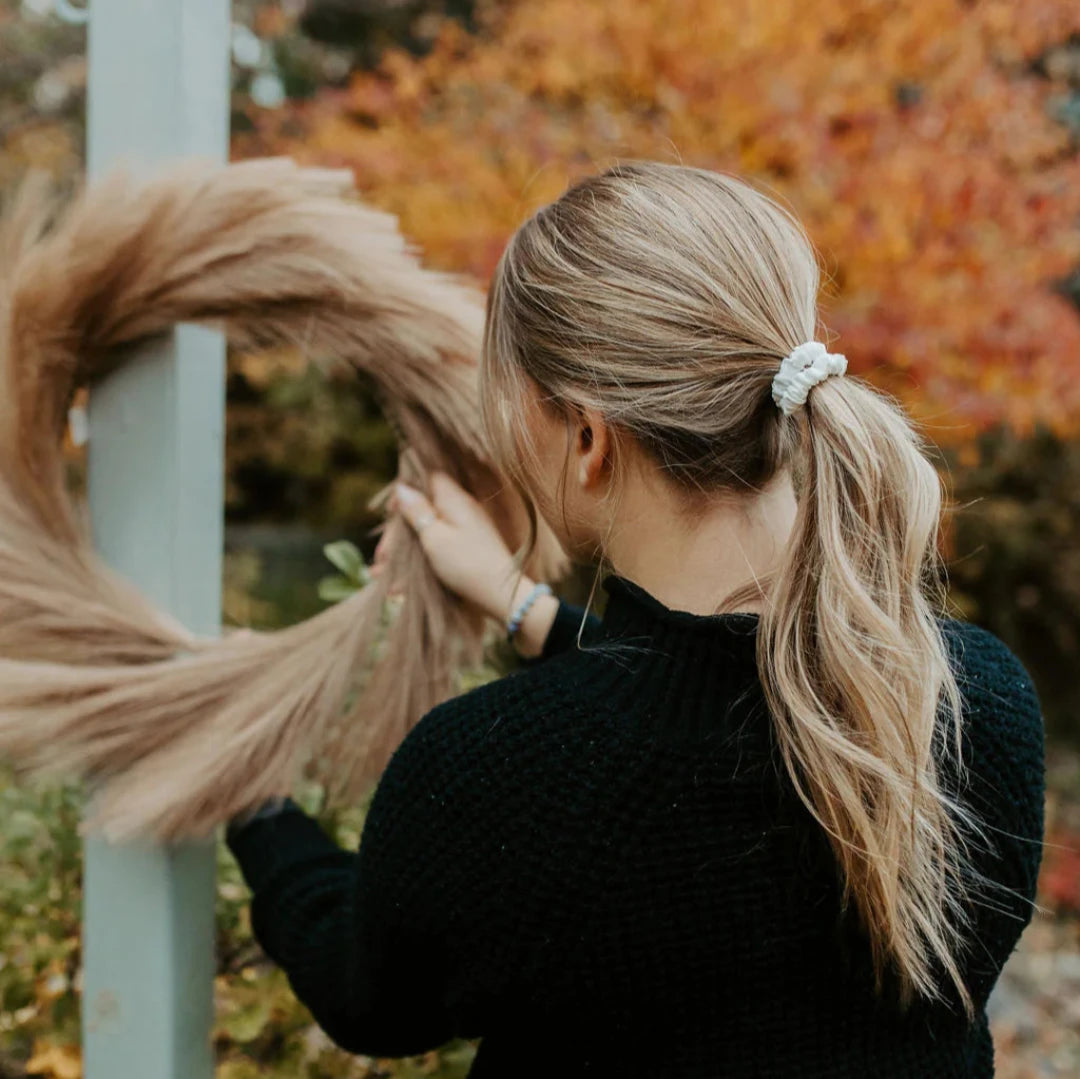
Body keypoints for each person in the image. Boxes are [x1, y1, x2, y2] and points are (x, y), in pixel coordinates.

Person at [226, 161, 1045, 1077]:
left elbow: (367, 996)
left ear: (587, 436)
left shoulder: (498, 773)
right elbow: (718, 702)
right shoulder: (975, 696)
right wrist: (519, 604)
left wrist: (256, 807)